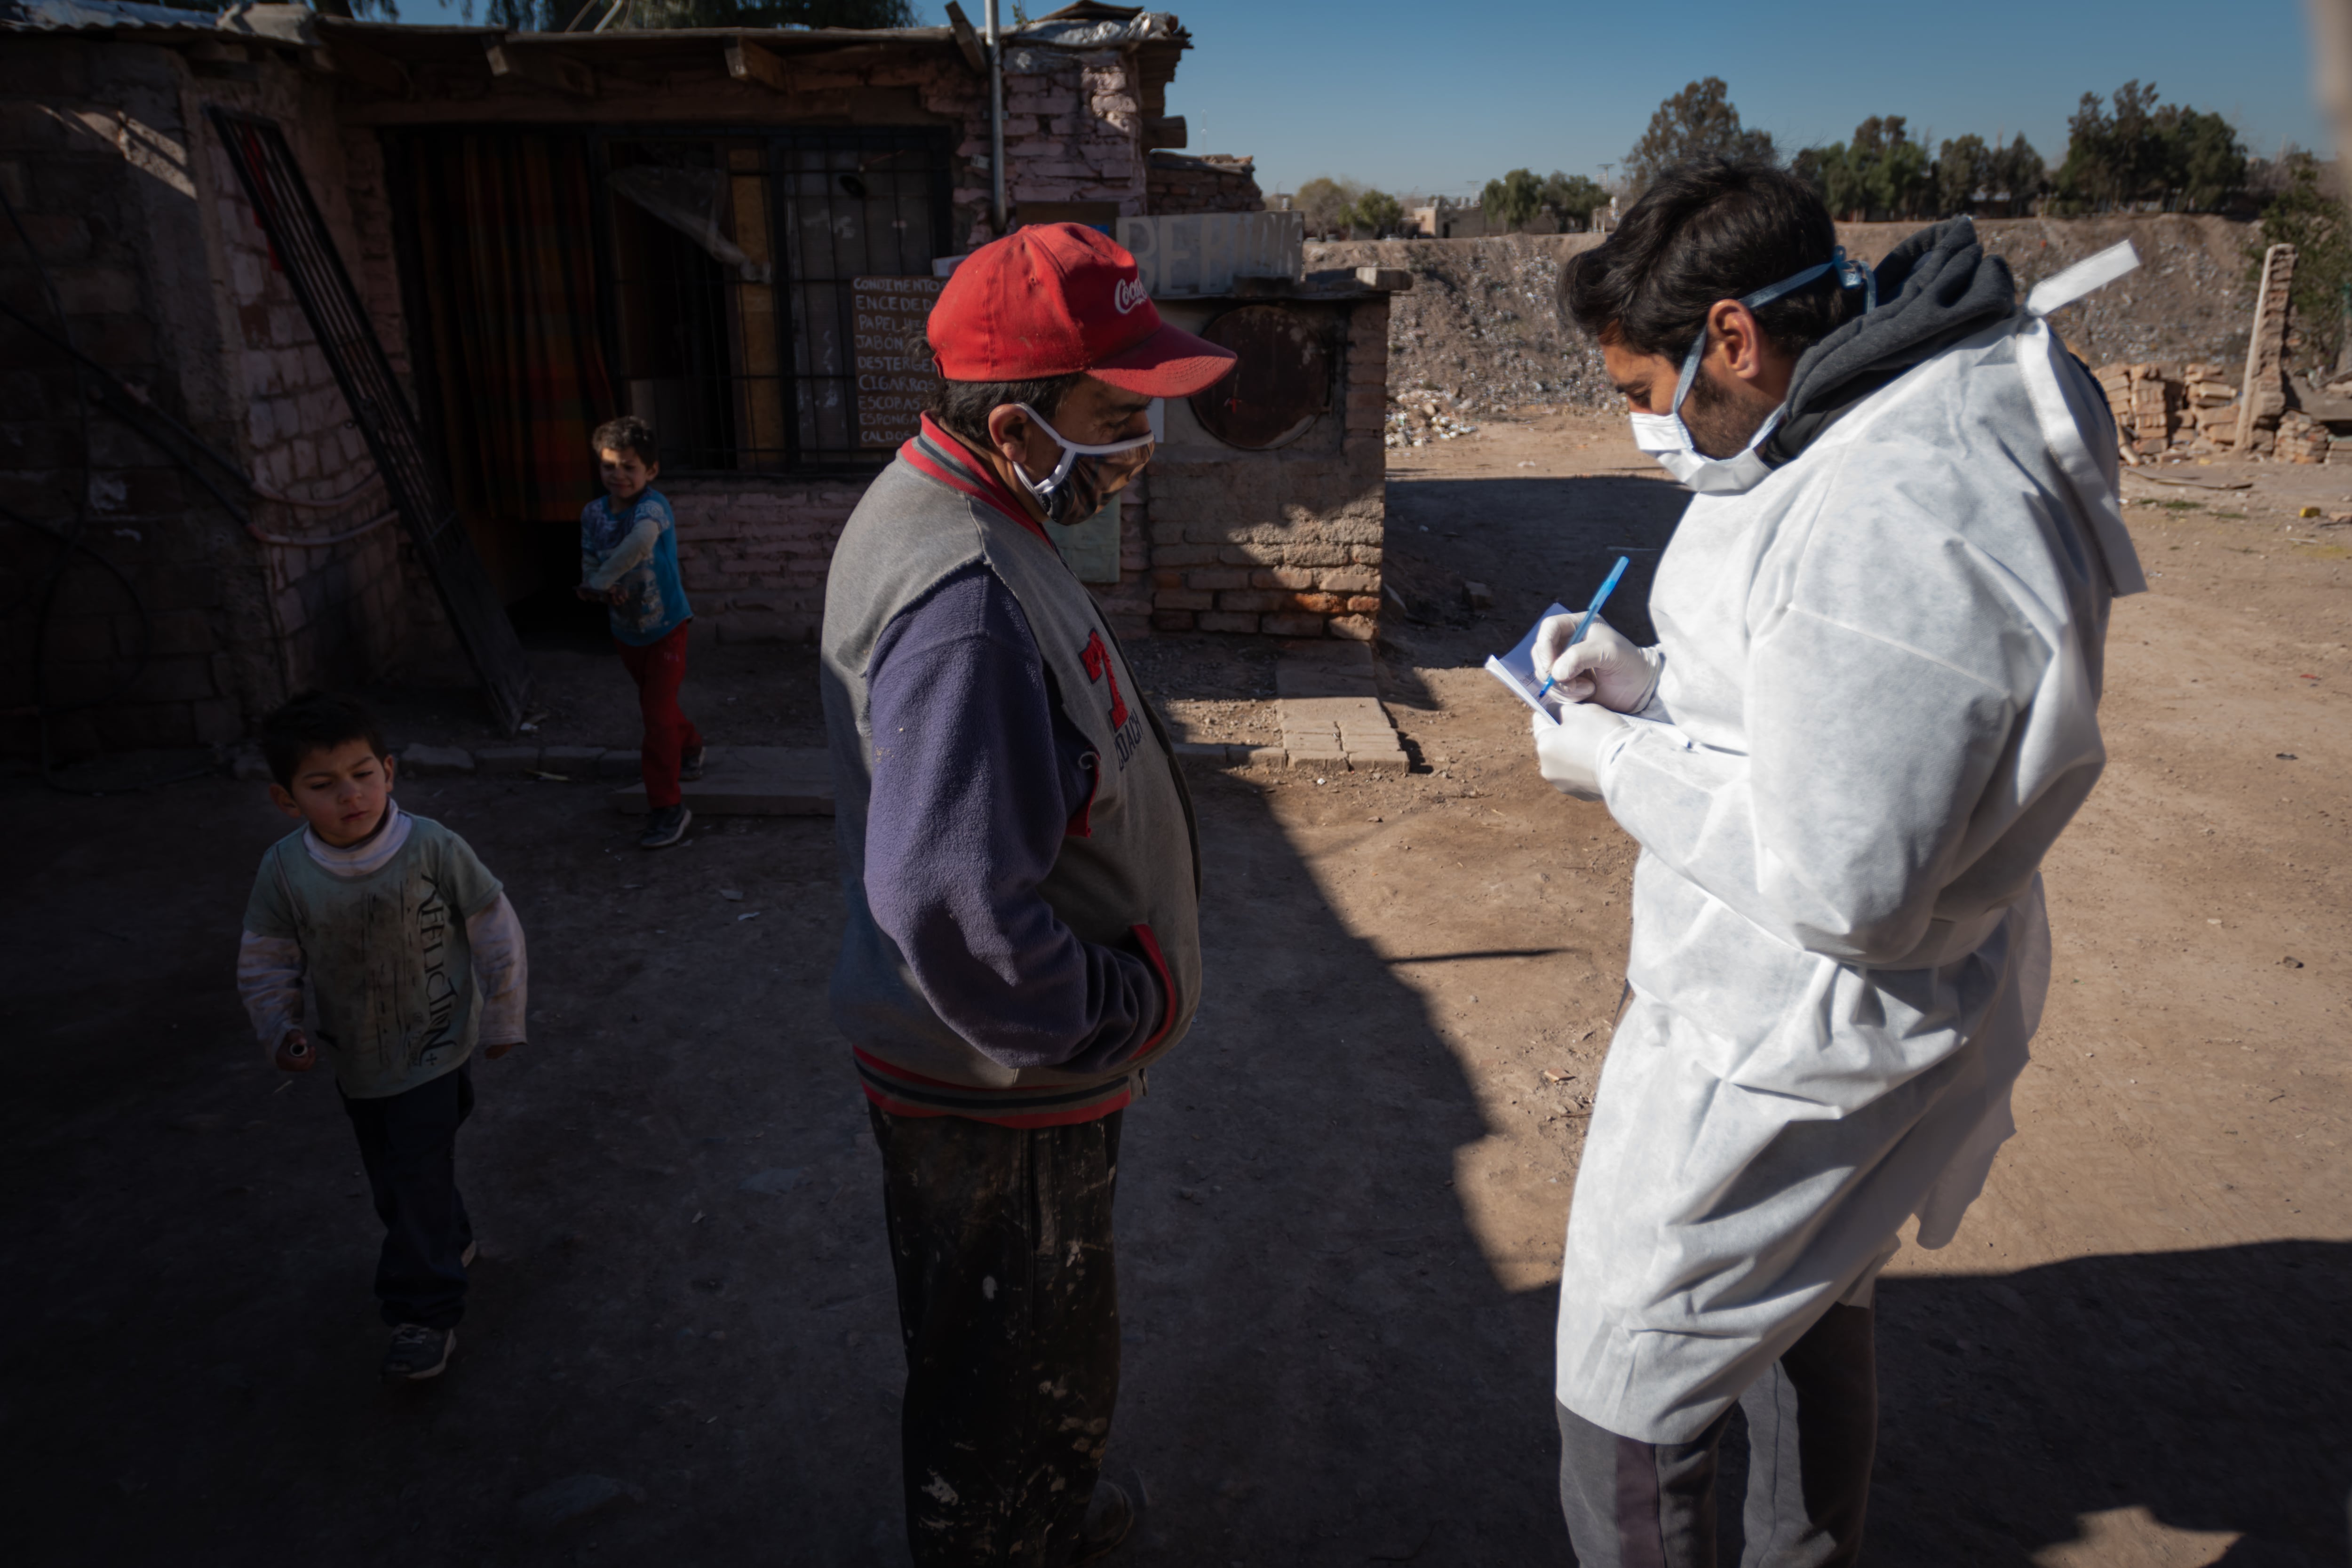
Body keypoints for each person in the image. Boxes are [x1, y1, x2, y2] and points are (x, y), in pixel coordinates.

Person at [1524, 161, 2145, 1564]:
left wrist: (1617, 762)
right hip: (1807, 1007)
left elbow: (1850, 877)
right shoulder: (1874, 407)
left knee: (1634, 1378)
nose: (1641, 424)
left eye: (1644, 386)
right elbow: (1842, 710)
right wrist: (1662, 688)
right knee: (1810, 1306)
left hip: (1791, 1036)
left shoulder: (1902, 500)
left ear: (1732, 337)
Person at [818, 223, 1236, 1566]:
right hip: (1003, 1093)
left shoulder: (975, 508)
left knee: (1033, 1361)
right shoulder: (966, 599)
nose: (1138, 454)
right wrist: (1120, 1003)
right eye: (1117, 421)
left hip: (1013, 1076)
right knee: (1001, 1388)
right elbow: (950, 903)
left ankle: (1052, 1513)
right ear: (1016, 423)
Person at [234, 691, 528, 1381]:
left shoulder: (432, 848)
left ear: (390, 772)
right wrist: (280, 1028)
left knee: (410, 1171)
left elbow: (495, 926)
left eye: (363, 773)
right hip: (359, 1057)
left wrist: (505, 1015)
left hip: (436, 1044)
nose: (350, 794)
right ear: (286, 799)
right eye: (323, 784)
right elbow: (266, 956)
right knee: (397, 1176)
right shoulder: (285, 871)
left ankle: (424, 1313)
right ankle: (447, 1238)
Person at [579, 414, 702, 850]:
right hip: (626, 630)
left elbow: (639, 545)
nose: (618, 475)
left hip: (667, 627)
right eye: (610, 466)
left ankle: (668, 808)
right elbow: (591, 557)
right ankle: (691, 747)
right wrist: (599, 584)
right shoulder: (593, 513)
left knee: (655, 716)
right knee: (659, 707)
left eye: (629, 467)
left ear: (650, 471)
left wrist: (599, 581)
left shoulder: (653, 508)